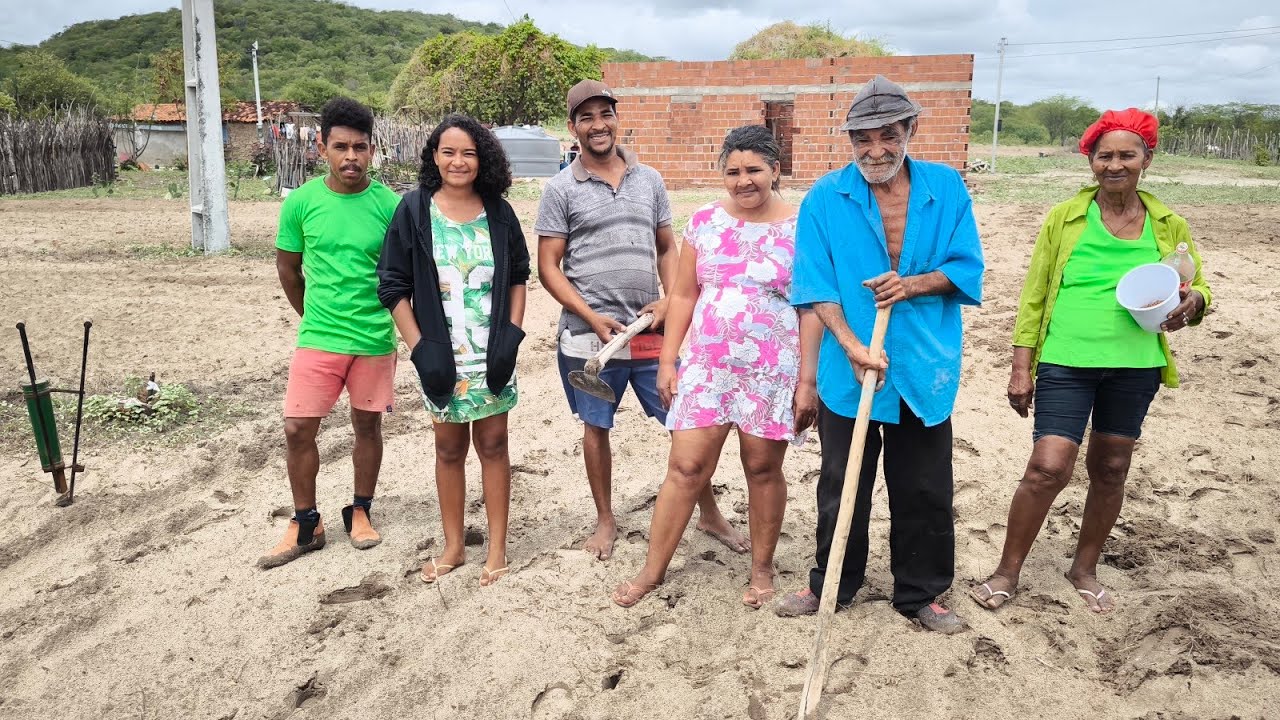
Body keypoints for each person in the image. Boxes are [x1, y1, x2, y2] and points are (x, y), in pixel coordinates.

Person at [972, 108, 1212, 614]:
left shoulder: (1169, 224)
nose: (1115, 165)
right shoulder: (1065, 218)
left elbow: (1196, 285)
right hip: (1066, 359)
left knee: (1111, 467)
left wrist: (1193, 302)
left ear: (1147, 159)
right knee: (1047, 467)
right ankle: (1007, 570)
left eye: (1127, 155)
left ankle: (1084, 568)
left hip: (1135, 363)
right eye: (1105, 156)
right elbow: (1034, 295)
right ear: (1091, 161)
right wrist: (1021, 366)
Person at [776, 75, 985, 634]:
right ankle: (833, 582)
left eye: (888, 135)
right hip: (848, 368)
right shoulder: (825, 197)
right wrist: (849, 346)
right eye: (862, 139)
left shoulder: (946, 188)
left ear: (910, 129)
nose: (875, 151)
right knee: (841, 482)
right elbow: (815, 285)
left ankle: (921, 593)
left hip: (923, 363)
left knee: (924, 485)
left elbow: (967, 266)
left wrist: (912, 285)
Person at [536, 79, 746, 562]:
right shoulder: (560, 189)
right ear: (572, 127)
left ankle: (709, 512)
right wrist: (591, 316)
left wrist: (670, 301)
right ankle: (605, 519)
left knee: (683, 422)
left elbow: (667, 247)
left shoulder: (648, 179)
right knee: (596, 426)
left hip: (649, 330)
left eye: (605, 114)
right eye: (586, 117)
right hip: (589, 340)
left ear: (616, 119)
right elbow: (548, 266)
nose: (598, 125)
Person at [611, 125, 821, 609]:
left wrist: (806, 382)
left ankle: (762, 569)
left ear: (776, 170)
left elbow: (811, 308)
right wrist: (668, 360)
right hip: (708, 368)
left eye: (754, 170)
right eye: (733, 171)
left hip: (771, 372)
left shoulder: (802, 227)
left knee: (762, 467)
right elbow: (684, 294)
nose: (743, 181)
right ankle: (652, 570)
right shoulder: (705, 221)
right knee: (685, 467)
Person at [378, 114, 529, 586]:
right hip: (441, 355)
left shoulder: (499, 212)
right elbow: (392, 284)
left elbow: (519, 275)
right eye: (448, 152)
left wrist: (512, 333)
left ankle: (497, 548)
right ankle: (454, 546)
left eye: (469, 153)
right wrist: (419, 347)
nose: (458, 161)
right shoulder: (414, 210)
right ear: (434, 156)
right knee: (448, 449)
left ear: (482, 159)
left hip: (491, 353)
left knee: (494, 446)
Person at [259, 97, 402, 569]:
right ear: (322, 148)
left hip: (374, 337)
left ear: (373, 150)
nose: (351, 157)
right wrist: (313, 317)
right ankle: (306, 521)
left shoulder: (389, 205)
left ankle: (360, 510)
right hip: (319, 337)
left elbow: (402, 275)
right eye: (341, 147)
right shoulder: (301, 203)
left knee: (368, 426)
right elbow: (288, 269)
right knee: (297, 428)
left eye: (360, 147)